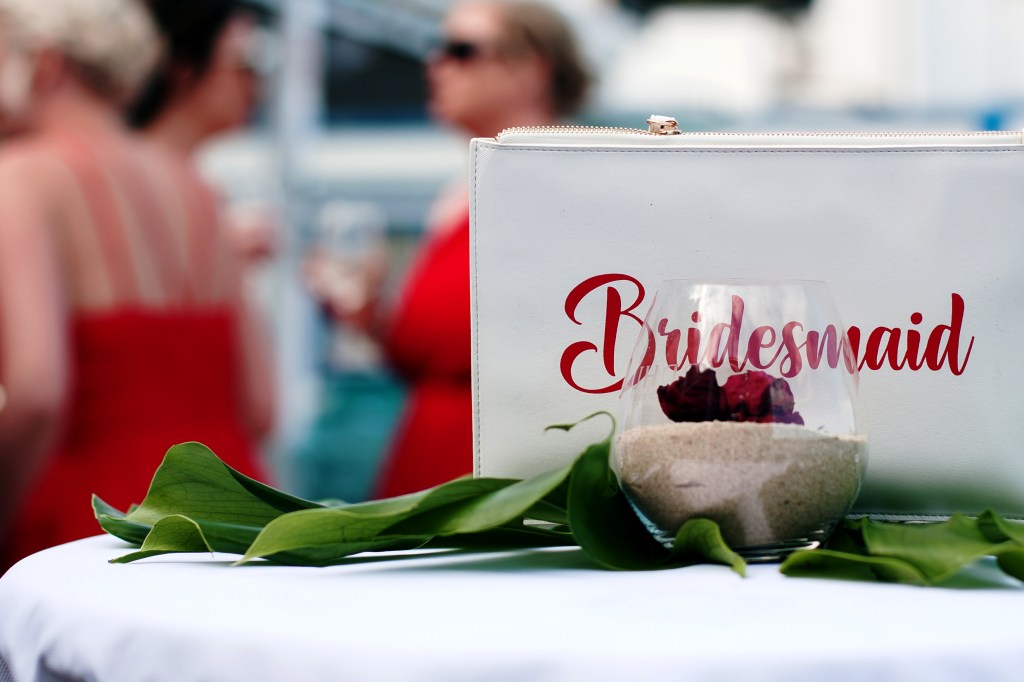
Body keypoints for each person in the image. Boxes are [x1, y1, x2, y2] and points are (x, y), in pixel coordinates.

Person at [0, 0, 275, 572]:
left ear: (45, 64)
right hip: (232, 522)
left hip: (95, 527)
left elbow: (35, 394)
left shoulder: (25, 176)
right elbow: (261, 406)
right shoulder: (196, 187)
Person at [364, 0, 591, 497]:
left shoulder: (565, 183)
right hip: (429, 460)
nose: (435, 64)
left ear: (531, 69)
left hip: (502, 477)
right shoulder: (458, 190)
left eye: (460, 50)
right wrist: (367, 317)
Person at [128, 0, 276, 265]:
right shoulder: (126, 180)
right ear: (184, 68)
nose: (256, 86)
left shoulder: (196, 186)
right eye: (244, 64)